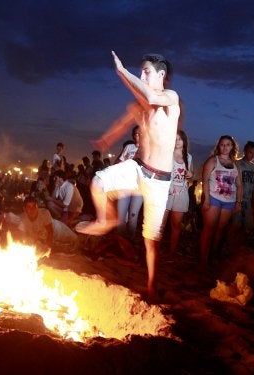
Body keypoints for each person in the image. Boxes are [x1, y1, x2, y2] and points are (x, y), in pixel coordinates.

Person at [77, 51, 180, 301]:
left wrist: (123, 71)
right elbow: (123, 123)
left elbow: (152, 95)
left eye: (146, 71)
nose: (142, 75)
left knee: (150, 240)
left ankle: (152, 285)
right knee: (98, 181)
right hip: (137, 169)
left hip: (159, 182)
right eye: (140, 71)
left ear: (161, 74)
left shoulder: (170, 98)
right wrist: (107, 138)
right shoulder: (139, 106)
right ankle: (106, 220)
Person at [199, 135, 243, 265]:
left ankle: (213, 255)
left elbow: (240, 185)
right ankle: (203, 259)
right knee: (209, 228)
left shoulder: (236, 165)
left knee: (220, 230)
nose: (225, 147)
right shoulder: (213, 161)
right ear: (219, 146)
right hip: (214, 198)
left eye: (228, 144)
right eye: (222, 144)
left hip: (229, 201)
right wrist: (206, 199)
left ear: (232, 147)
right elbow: (205, 180)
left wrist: (238, 203)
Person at [164, 130, 193, 256]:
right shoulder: (166, 154)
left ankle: (171, 251)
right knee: (161, 224)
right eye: (175, 139)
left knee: (176, 225)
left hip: (181, 193)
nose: (177, 141)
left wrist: (191, 175)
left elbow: (190, 175)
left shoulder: (189, 157)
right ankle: (154, 250)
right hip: (166, 192)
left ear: (184, 141)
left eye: (179, 139)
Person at [115, 125, 143, 241]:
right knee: (120, 215)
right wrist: (129, 159)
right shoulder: (129, 147)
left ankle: (130, 241)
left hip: (139, 187)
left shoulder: (149, 149)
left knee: (133, 216)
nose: (139, 136)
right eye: (136, 134)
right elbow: (117, 163)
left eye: (141, 133)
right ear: (133, 136)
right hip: (124, 185)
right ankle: (119, 241)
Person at [232, 141, 254, 234]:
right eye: (250, 152)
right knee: (235, 226)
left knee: (248, 226)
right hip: (235, 200)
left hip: (248, 201)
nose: (252, 155)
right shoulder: (236, 164)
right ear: (245, 151)